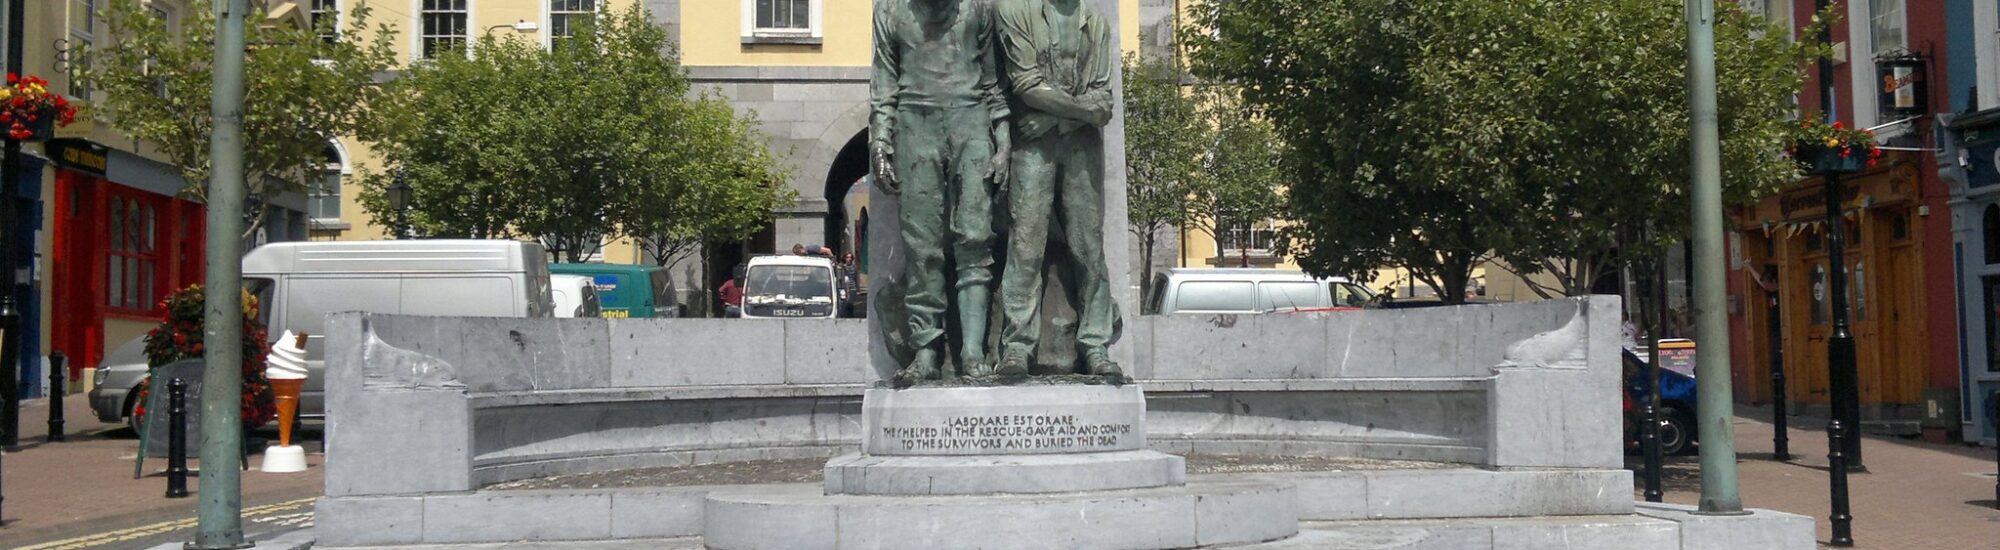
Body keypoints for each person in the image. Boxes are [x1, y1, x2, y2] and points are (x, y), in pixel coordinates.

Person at [871, 0, 1011, 380]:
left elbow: (991, 81)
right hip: (914, 124)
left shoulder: (979, 9)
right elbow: (883, 82)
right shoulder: (889, 11)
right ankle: (927, 350)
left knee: (975, 239)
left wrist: (1003, 139)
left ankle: (971, 350)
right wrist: (880, 141)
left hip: (971, 119)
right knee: (922, 247)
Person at [992, 0, 1119, 377]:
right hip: (1033, 149)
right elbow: (1026, 85)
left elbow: (1103, 103)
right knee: (1026, 244)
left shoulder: (1094, 23)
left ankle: (1095, 344)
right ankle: (1017, 345)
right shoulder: (1016, 12)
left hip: (1074, 144)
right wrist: (1081, 113)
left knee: (1088, 246)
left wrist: (1054, 121)